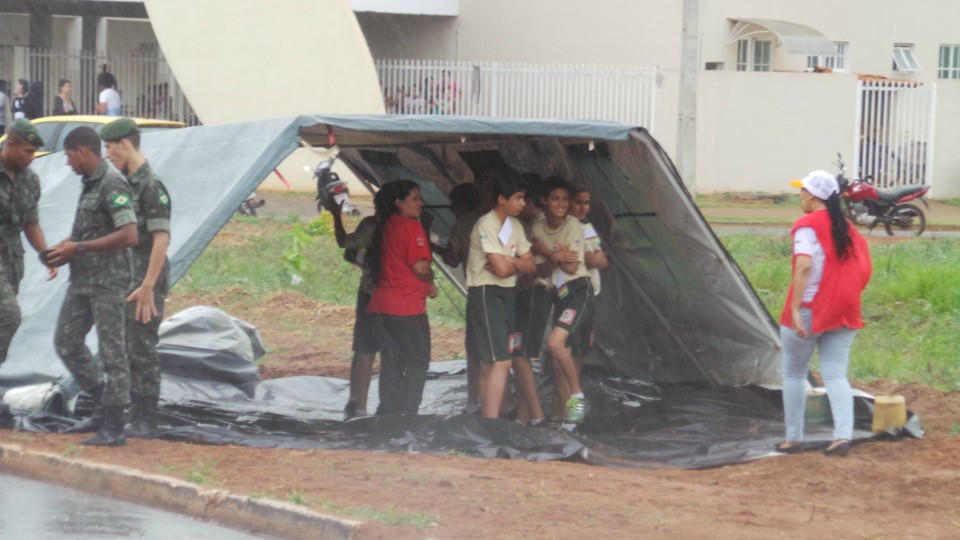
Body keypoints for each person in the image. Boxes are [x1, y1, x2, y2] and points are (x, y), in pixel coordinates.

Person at [47, 126, 138, 447]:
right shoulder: (89, 184)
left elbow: (129, 234)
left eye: (69, 156)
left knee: (113, 352)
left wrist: (80, 249)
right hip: (82, 281)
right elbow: (86, 230)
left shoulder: (112, 183)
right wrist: (64, 248)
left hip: (109, 283)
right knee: (67, 342)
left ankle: (115, 425)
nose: (68, 163)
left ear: (82, 152)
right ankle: (102, 403)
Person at [776, 171, 872, 457]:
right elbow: (864, 269)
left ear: (813, 195)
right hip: (844, 310)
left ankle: (793, 438)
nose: (800, 195)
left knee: (793, 373)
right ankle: (842, 436)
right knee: (835, 374)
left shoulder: (807, 225)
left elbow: (803, 266)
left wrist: (794, 308)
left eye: (802, 190)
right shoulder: (847, 228)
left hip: (809, 308)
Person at [101, 117, 171, 437]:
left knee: (143, 347)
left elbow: (161, 238)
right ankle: (135, 411)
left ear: (125, 144)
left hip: (146, 281)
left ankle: (147, 417)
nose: (107, 154)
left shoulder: (151, 186)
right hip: (127, 278)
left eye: (109, 147)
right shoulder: (124, 183)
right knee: (129, 346)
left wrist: (148, 286)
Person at [465, 173, 535, 419]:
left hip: (513, 294)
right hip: (492, 292)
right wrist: (516, 263)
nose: (523, 203)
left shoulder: (517, 226)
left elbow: (532, 265)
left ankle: (568, 416)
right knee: (504, 360)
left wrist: (509, 261)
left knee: (493, 361)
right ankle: (502, 419)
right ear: (501, 199)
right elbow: (506, 269)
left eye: (525, 198)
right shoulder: (488, 224)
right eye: (518, 198)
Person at [365, 180, 437, 415]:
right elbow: (420, 268)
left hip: (383, 306)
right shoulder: (410, 226)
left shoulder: (388, 226)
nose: (420, 203)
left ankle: (388, 410)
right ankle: (407, 412)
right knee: (417, 361)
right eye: (415, 198)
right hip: (406, 307)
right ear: (399, 203)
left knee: (392, 362)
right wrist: (431, 278)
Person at [531, 176, 593, 430]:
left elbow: (570, 265)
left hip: (578, 292)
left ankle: (577, 399)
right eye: (555, 198)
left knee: (557, 345)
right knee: (559, 362)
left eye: (565, 199)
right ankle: (565, 419)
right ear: (544, 201)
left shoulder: (574, 225)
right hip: (559, 294)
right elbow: (543, 271)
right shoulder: (537, 227)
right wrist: (554, 256)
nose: (561, 204)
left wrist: (547, 253)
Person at [0, 119, 57, 366]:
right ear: (10, 145)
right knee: (9, 316)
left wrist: (46, 253)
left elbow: (31, 223)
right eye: (28, 152)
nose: (32, 157)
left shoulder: (30, 180)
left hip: (11, 261)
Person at [324, 190, 383, 420]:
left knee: (364, 350)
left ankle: (357, 403)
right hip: (386, 294)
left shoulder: (373, 225)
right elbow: (346, 245)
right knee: (373, 351)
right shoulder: (388, 225)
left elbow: (346, 245)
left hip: (371, 292)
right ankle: (371, 406)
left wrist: (337, 216)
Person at [429, 183, 483, 414]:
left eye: (453, 206)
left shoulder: (466, 223)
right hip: (511, 293)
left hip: (481, 292)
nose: (451, 211)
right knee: (507, 354)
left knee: (476, 349)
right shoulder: (491, 220)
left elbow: (452, 258)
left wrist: (429, 242)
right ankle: (571, 415)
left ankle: (476, 403)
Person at [512, 173, 550, 425]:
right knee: (563, 363)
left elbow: (543, 266)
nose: (521, 205)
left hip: (534, 293)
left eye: (524, 199)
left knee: (520, 355)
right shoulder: (548, 225)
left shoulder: (536, 229)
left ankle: (539, 416)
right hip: (545, 295)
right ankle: (525, 416)